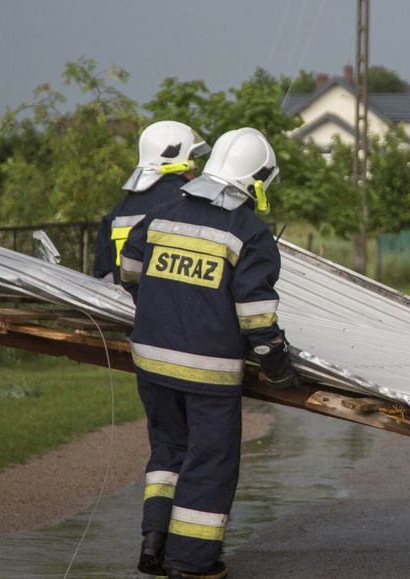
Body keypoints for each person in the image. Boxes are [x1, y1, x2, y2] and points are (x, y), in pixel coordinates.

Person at [120, 127, 299, 579]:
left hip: (150, 361)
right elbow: (256, 315)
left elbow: (129, 269)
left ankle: (154, 544)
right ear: (255, 180)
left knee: (169, 451)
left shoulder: (163, 211)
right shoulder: (249, 231)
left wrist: (164, 307)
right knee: (210, 461)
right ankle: (193, 562)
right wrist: (275, 362)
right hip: (208, 372)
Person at [93, 120, 210, 283]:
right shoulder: (193, 204)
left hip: (124, 305)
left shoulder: (119, 210)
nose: (195, 166)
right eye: (191, 157)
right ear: (173, 157)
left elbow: (103, 277)